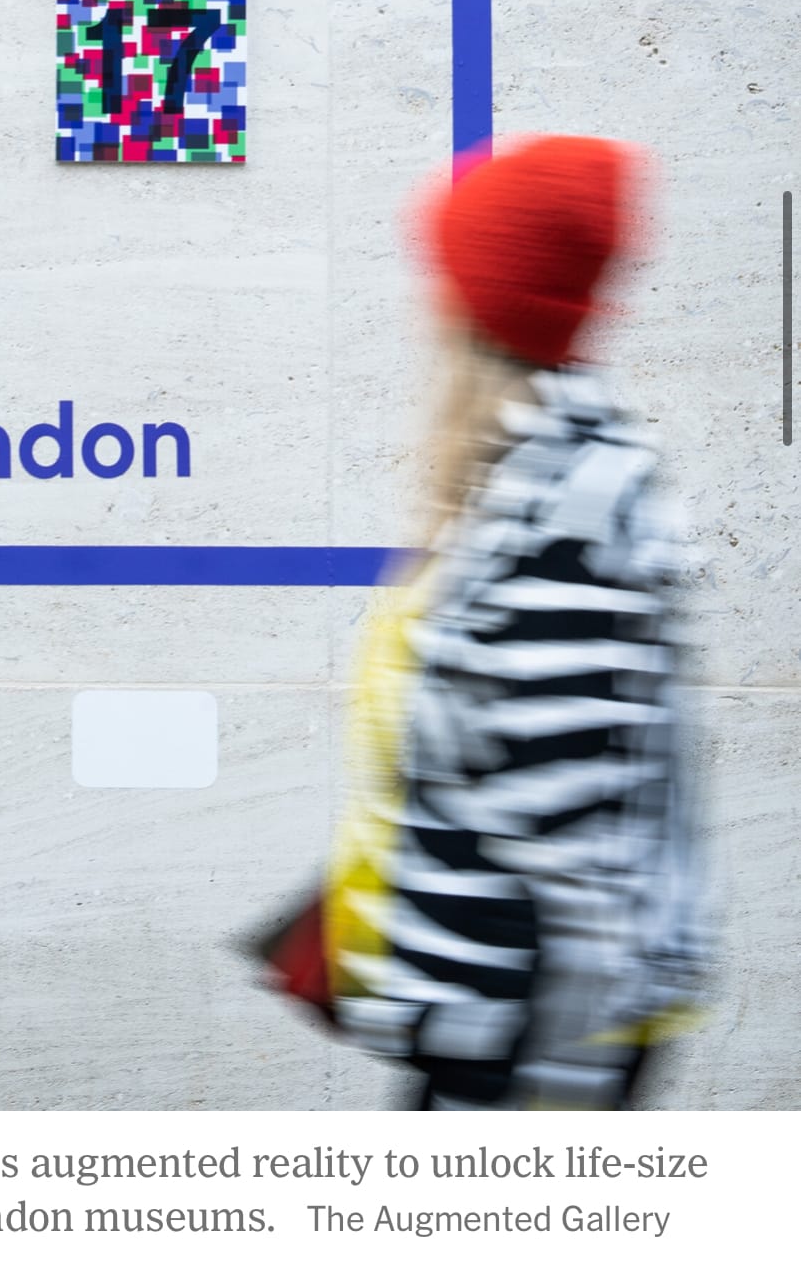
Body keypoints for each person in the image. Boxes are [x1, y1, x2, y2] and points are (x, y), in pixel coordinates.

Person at [325, 133, 706, 1111]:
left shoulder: (565, 509)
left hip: (514, 1049)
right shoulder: (536, 475)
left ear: (478, 304)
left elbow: (576, 861)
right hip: (483, 1022)